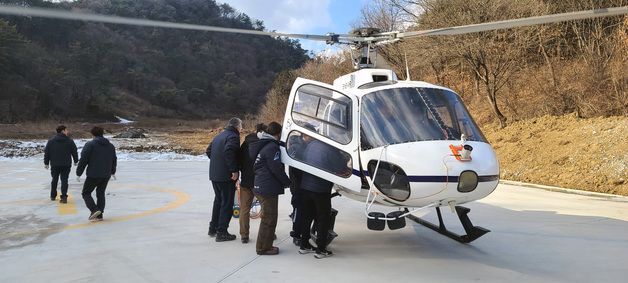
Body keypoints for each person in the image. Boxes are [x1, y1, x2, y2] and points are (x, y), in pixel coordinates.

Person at [298, 138, 346, 259]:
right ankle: (320, 249)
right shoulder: (330, 149)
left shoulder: (311, 145)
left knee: (307, 217)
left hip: (305, 186)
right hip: (320, 189)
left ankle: (304, 245)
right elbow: (340, 166)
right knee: (323, 219)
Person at [249, 122, 290, 255]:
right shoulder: (272, 147)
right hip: (267, 188)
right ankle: (263, 248)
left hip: (262, 185)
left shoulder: (264, 144)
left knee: (268, 217)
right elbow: (276, 168)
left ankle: (265, 245)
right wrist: (287, 182)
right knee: (269, 218)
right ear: (278, 134)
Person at [206, 117, 242, 242]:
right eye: (241, 127)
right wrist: (233, 170)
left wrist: (218, 163)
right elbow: (229, 152)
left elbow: (209, 150)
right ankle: (222, 232)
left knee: (218, 201)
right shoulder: (233, 136)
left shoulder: (219, 136)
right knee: (227, 203)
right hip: (226, 176)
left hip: (215, 175)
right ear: (237, 126)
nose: (241, 129)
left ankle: (213, 228)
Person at [76, 126, 117, 221]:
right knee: (100, 193)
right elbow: (114, 159)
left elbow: (83, 160)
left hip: (93, 174)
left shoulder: (90, 144)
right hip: (106, 174)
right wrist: (113, 171)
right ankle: (99, 215)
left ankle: (94, 210)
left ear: (92, 134)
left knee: (86, 193)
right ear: (102, 133)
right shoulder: (110, 145)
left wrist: (79, 173)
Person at [237, 123, 267, 244]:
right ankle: (267, 232)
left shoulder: (245, 143)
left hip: (245, 181)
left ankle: (244, 235)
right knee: (266, 207)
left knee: (244, 208)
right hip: (259, 181)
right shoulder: (263, 144)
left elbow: (238, 159)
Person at [44, 125, 78, 203]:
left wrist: (46, 163)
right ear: (62, 131)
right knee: (64, 180)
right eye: (66, 130)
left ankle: (53, 195)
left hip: (55, 164)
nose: (67, 132)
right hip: (66, 164)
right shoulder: (70, 141)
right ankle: (64, 197)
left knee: (54, 180)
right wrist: (76, 161)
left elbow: (47, 153)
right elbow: (74, 152)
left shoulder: (51, 141)